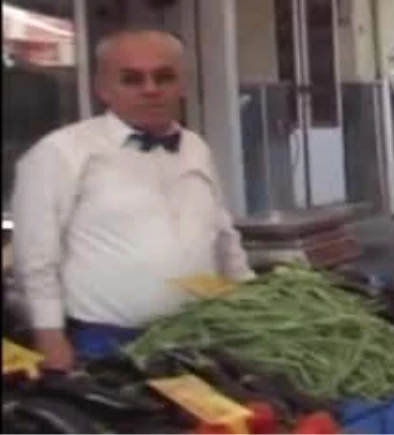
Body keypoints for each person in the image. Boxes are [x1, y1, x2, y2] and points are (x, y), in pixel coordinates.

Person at [10, 29, 253, 370]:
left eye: (164, 77)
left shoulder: (197, 147)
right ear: (103, 88)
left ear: (182, 84)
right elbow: (36, 256)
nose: (151, 89)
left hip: (200, 338)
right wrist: (50, 338)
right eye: (132, 79)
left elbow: (223, 235)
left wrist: (251, 304)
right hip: (104, 345)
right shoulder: (60, 153)